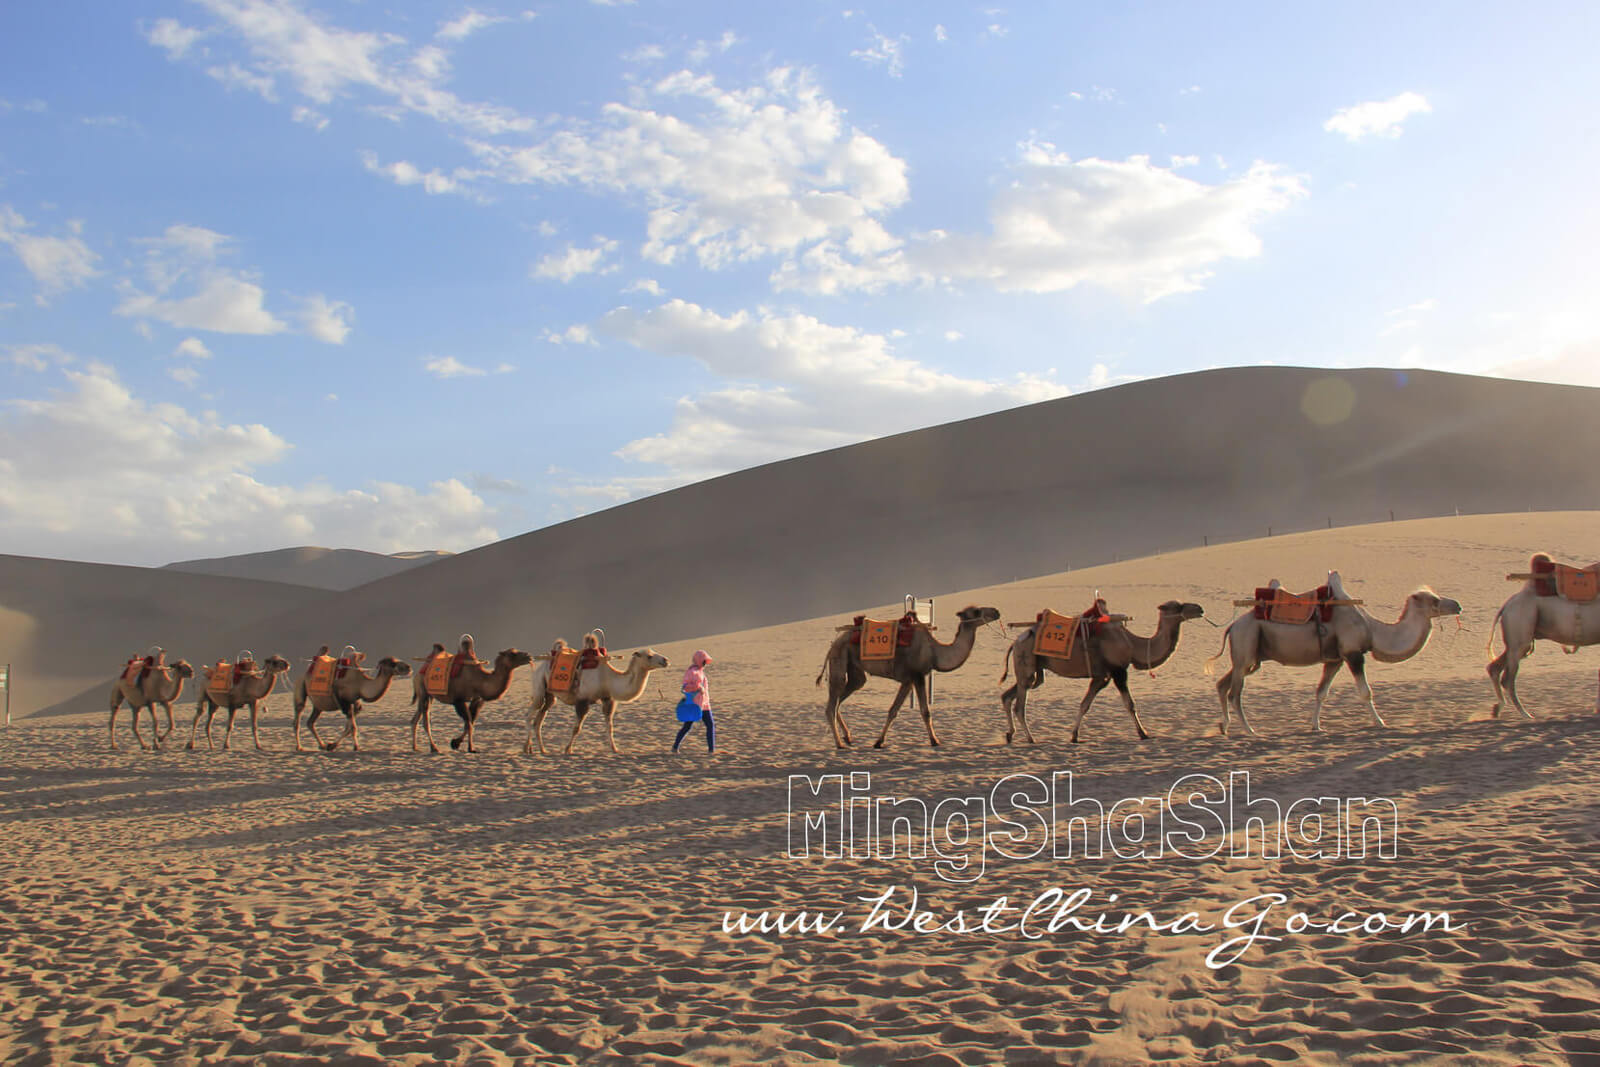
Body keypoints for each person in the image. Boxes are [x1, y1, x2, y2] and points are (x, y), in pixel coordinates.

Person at [673, 649, 715, 754]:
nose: (705, 663)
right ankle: (675, 747)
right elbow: (685, 686)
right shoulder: (692, 671)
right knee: (687, 726)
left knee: (710, 725)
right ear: (699, 660)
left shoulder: (700, 671)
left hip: (705, 703)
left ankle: (711, 750)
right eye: (703, 661)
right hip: (694, 704)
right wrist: (698, 687)